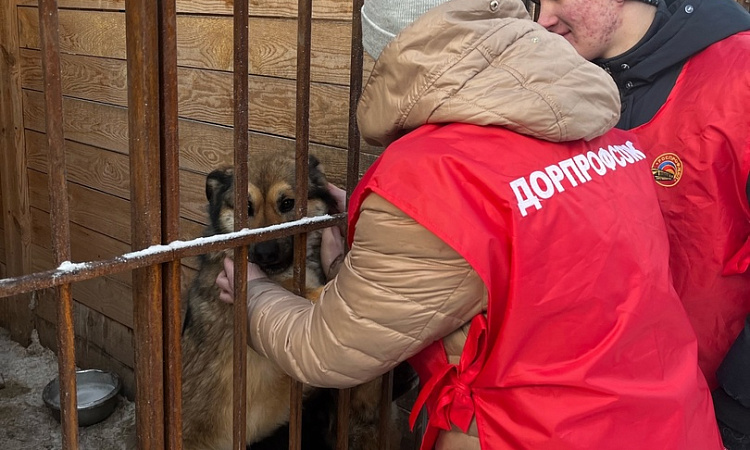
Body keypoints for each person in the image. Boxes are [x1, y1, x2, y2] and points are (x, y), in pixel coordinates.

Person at [216, 0, 723, 447]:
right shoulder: (605, 133)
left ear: (392, 53)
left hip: (530, 433)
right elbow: (521, 266)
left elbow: (330, 349)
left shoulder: (430, 176)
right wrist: (378, 236)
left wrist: (253, 294)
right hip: (672, 420)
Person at [535, 0, 750, 446]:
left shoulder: (739, 74)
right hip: (591, 403)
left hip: (713, 402)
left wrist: (736, 410)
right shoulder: (546, 81)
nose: (543, 18)